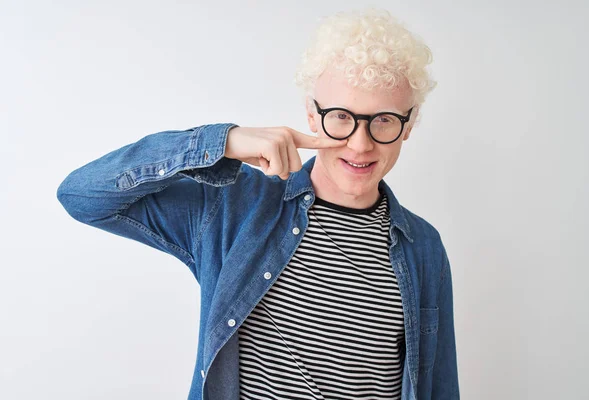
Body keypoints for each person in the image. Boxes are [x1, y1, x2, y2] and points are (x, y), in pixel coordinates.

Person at [57, 7, 459, 400]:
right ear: (311, 115)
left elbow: (439, 386)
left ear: (409, 122)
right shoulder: (235, 205)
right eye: (341, 117)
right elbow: (82, 195)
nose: (360, 143)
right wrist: (223, 143)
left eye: (384, 119)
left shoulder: (422, 247)